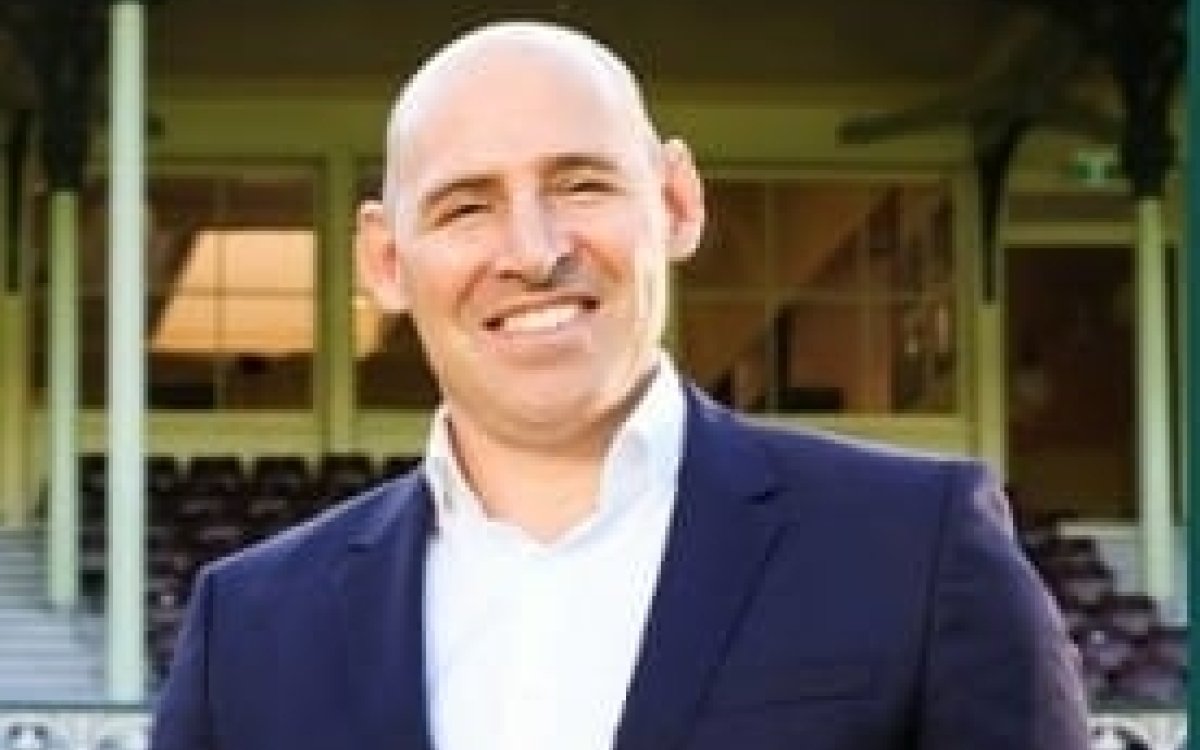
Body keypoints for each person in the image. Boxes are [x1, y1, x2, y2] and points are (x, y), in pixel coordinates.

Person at [150, 21, 1090, 750]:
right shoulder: (250, 630)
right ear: (386, 260)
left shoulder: (916, 550)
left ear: (676, 201)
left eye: (580, 185)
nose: (533, 251)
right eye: (467, 206)